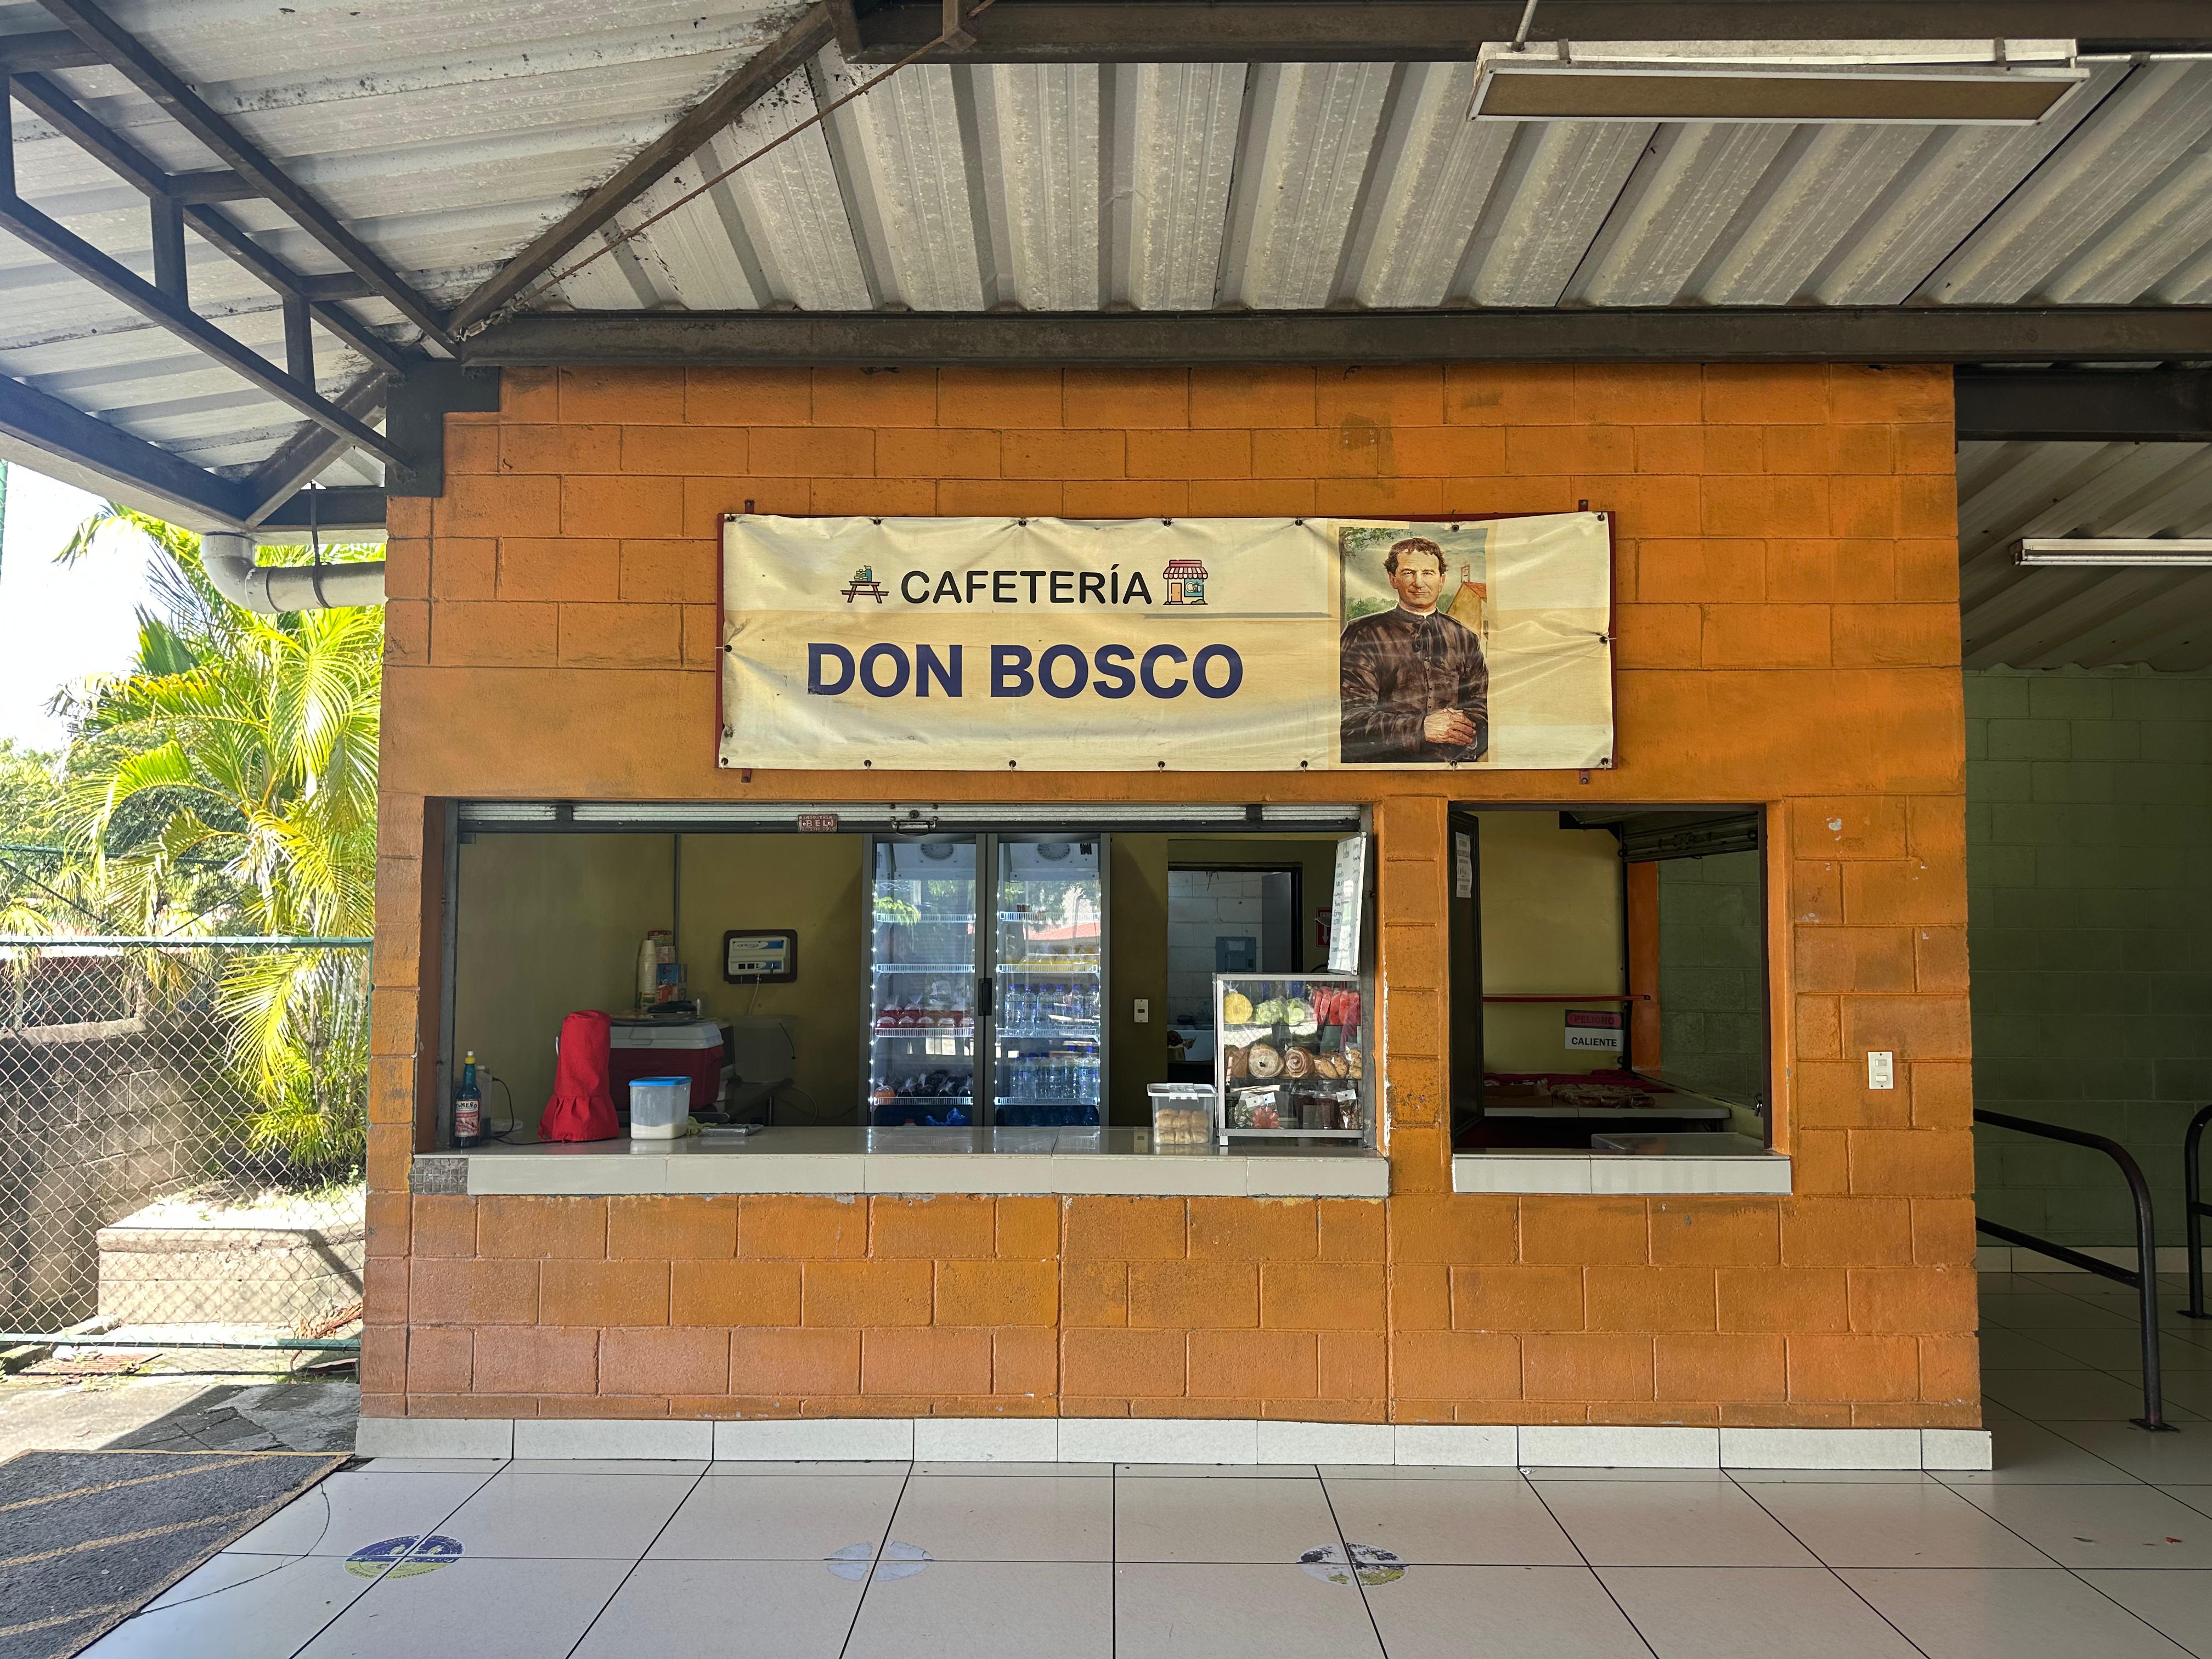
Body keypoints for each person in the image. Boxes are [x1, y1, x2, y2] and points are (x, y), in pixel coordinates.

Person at [1339, 535, 1488, 764]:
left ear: (1441, 580)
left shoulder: (1465, 638)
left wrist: (1463, 734)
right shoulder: (1363, 634)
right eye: (1409, 573)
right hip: (1383, 768)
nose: (1419, 583)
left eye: (1428, 573)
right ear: (1393, 579)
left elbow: (1483, 707)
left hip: (1453, 767)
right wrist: (1422, 728)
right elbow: (1350, 721)